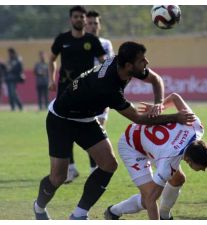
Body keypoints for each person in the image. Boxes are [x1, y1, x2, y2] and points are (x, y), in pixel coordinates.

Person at [33, 41, 196, 220]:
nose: (146, 62)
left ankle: (79, 215)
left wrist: (158, 104)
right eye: (142, 60)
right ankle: (39, 207)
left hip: (85, 120)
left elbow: (156, 80)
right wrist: (176, 117)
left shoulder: (123, 66)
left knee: (109, 164)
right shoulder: (108, 87)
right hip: (61, 120)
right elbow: (138, 118)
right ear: (128, 65)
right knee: (58, 177)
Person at [104, 93, 207, 220]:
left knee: (178, 179)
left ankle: (164, 215)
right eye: (201, 167)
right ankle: (114, 211)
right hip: (131, 145)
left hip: (156, 146)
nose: (203, 170)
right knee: (148, 199)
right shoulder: (168, 163)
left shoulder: (196, 127)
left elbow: (174, 97)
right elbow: (151, 200)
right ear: (189, 160)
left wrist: (159, 107)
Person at [47, 6, 106, 183]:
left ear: (85, 19)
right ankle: (70, 169)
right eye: (76, 16)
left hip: (87, 93)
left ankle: (94, 167)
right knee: (65, 128)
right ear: (70, 19)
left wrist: (103, 82)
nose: (79, 19)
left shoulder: (92, 41)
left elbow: (104, 62)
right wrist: (51, 78)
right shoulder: (62, 39)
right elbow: (51, 59)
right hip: (65, 93)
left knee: (90, 126)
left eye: (82, 16)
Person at [66, 10, 116, 180]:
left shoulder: (106, 44)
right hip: (79, 94)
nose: (93, 26)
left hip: (100, 96)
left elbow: (110, 66)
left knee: (97, 130)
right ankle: (71, 167)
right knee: (69, 130)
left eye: (96, 23)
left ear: (99, 25)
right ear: (84, 24)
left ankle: (94, 168)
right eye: (90, 23)